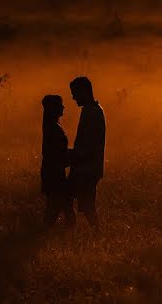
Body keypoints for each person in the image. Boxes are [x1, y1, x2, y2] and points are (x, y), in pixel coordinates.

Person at [68, 77, 106, 228]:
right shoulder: (92, 110)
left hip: (86, 168)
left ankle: (69, 233)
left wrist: (71, 156)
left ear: (84, 92)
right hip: (88, 167)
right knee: (83, 204)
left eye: (75, 93)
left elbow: (88, 145)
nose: (73, 97)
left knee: (74, 201)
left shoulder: (92, 113)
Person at [40, 94, 75, 227]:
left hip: (52, 172)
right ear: (54, 108)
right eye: (60, 104)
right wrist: (76, 155)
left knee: (59, 207)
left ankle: (42, 236)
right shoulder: (54, 128)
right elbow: (56, 154)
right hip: (54, 173)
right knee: (61, 207)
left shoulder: (52, 126)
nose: (63, 107)